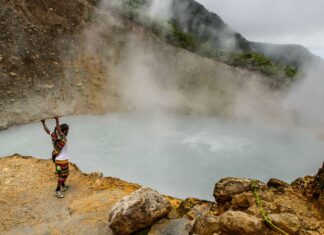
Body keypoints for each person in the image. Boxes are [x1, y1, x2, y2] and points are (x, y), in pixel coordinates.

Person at [41, 116, 70, 198]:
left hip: (57, 161)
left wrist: (43, 123)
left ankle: (63, 185)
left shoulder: (54, 136)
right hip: (62, 161)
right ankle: (57, 190)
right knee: (62, 175)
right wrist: (57, 120)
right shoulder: (61, 137)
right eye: (67, 131)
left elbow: (47, 131)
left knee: (63, 173)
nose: (68, 132)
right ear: (64, 131)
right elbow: (59, 130)